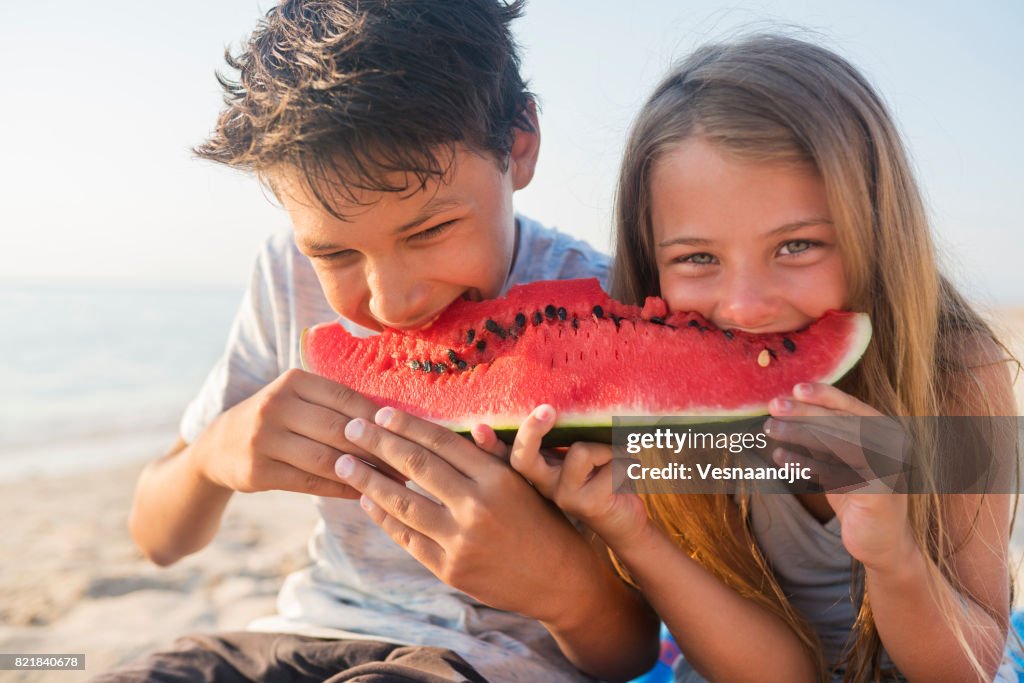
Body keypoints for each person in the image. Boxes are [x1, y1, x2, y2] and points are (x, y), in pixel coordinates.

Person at [363, 35, 1016, 682]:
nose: (746, 305)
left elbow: (971, 668)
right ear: (651, 264)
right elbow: (779, 674)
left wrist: (893, 554)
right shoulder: (663, 423)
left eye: (797, 246)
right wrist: (634, 535)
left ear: (877, 227)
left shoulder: (958, 376)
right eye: (698, 259)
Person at [95, 1, 659, 681]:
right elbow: (158, 539)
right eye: (334, 253)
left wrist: (563, 583)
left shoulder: (618, 316)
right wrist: (212, 457)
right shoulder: (285, 274)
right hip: (290, 635)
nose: (392, 302)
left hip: (483, 664)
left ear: (520, 142)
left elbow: (631, 654)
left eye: (427, 232)